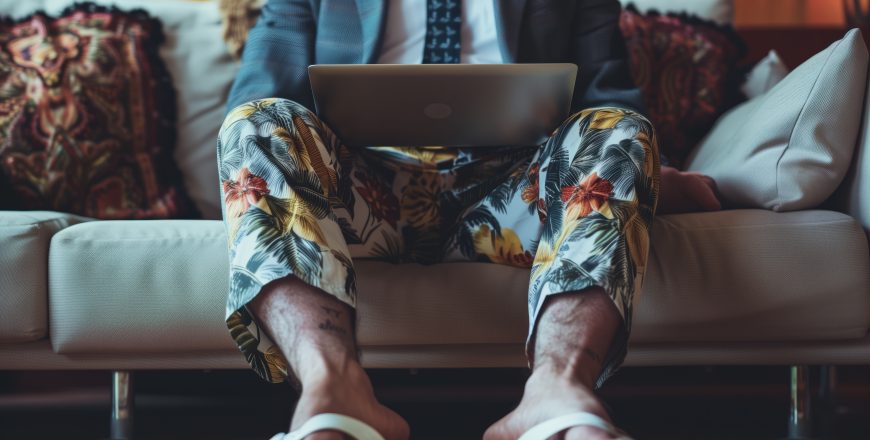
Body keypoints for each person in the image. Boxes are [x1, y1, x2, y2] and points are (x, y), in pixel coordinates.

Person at [217, 0, 721, 438]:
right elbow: (258, 92)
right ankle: (332, 388)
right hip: (362, 194)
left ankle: (556, 389)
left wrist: (644, 169)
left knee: (620, 128)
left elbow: (606, 92)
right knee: (253, 122)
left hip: (517, 194)